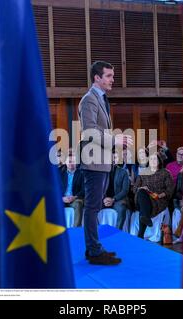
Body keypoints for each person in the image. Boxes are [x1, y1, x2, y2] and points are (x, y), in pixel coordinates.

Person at [78, 60, 132, 265]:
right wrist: (114, 140)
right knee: (91, 208)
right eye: (108, 76)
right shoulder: (89, 100)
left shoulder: (100, 98)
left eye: (112, 75)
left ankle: (95, 248)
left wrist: (117, 146)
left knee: (94, 207)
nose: (112, 79)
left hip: (101, 160)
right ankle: (93, 251)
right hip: (93, 162)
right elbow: (90, 131)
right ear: (97, 78)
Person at [133, 152, 175, 239]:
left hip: (158, 199)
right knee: (141, 192)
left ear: (159, 161)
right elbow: (134, 189)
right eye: (151, 159)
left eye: (155, 159)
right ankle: (146, 218)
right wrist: (142, 188)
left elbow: (170, 190)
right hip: (144, 197)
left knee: (143, 208)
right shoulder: (143, 173)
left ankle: (141, 234)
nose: (153, 161)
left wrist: (159, 195)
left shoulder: (165, 173)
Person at [103, 151, 130, 230]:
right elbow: (98, 188)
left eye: (116, 157)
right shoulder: (102, 172)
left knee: (121, 209)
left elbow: (125, 190)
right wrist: (104, 198)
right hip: (103, 199)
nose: (113, 160)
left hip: (117, 199)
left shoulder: (123, 172)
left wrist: (113, 199)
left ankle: (117, 233)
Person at [59, 153, 85, 227]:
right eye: (69, 161)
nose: (71, 163)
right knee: (53, 203)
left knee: (79, 204)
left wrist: (74, 197)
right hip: (62, 198)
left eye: (73, 161)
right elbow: (55, 188)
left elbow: (84, 190)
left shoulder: (81, 173)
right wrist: (61, 198)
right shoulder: (59, 173)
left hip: (74, 199)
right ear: (65, 162)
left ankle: (76, 230)